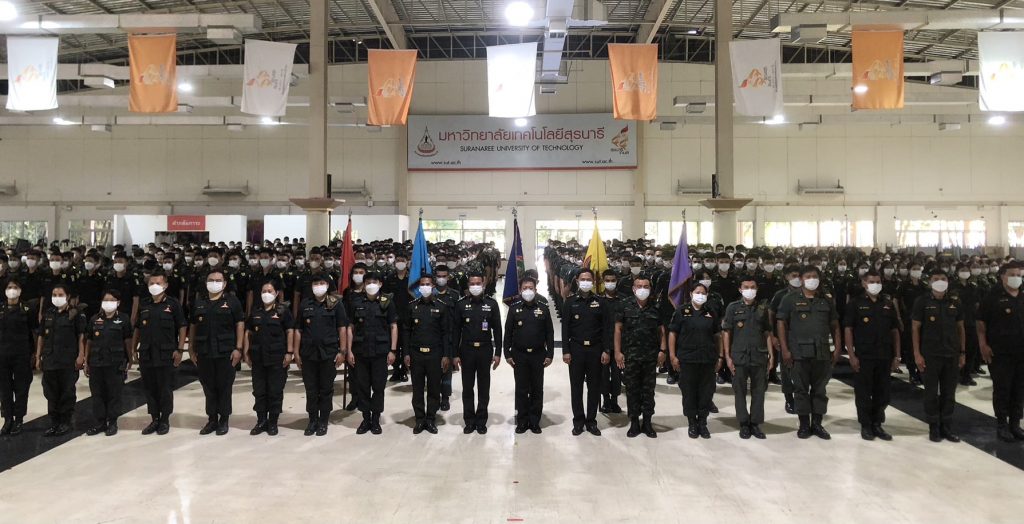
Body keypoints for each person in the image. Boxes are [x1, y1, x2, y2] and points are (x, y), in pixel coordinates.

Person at [776, 265, 841, 440]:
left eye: (815, 276)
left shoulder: (826, 300)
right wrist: (785, 349)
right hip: (798, 353)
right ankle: (804, 424)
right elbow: (781, 323)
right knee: (801, 390)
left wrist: (837, 348)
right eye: (808, 276)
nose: (812, 279)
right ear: (801, 279)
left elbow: (835, 325)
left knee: (820, 390)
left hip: (822, 352)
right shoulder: (790, 299)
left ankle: (817, 424)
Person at [844, 270, 901, 441]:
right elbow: (848, 329)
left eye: (878, 281)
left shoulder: (887, 303)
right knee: (863, 392)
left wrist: (897, 355)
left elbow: (894, 331)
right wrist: (851, 355)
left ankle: (877, 423)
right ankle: (866, 425)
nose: (875, 284)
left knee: (883, 393)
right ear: (863, 283)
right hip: (864, 355)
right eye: (871, 281)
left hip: (884, 355)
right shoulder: (855, 303)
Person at [189, 269, 245, 435]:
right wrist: (191, 348)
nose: (214, 283)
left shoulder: (232, 301)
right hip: (204, 351)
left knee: (224, 386)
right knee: (208, 386)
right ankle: (212, 419)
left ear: (225, 283)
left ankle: (224, 419)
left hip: (225, 351)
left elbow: (240, 324)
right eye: (211, 280)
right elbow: (193, 325)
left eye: (218, 280)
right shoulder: (199, 302)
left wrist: (238, 348)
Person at [911, 269, 965, 443]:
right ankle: (933, 426)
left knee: (949, 393)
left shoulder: (955, 301)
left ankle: (946, 426)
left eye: (943, 278)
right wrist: (917, 354)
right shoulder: (922, 301)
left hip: (951, 354)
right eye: (936, 278)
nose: (940, 281)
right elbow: (915, 328)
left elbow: (960, 328)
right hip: (930, 355)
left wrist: (962, 352)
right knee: (931, 393)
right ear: (930, 281)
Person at [131, 272, 188, 435]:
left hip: (166, 353)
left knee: (165, 388)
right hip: (147, 352)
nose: (154, 286)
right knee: (149, 388)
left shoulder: (173, 304)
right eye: (151, 283)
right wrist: (134, 348)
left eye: (158, 283)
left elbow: (182, 326)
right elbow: (138, 328)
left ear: (165, 285)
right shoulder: (144, 304)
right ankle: (154, 418)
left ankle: (165, 419)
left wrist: (180, 349)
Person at [294, 274, 349, 437]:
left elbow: (342, 328)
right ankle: (312, 420)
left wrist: (342, 351)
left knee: (326, 389)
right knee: (311, 389)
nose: (319, 286)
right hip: (308, 353)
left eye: (322, 283)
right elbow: (298, 330)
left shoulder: (335, 304)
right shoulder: (305, 304)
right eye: (316, 283)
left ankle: (323, 421)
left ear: (327, 285)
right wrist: (296, 352)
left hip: (329, 353)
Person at [976, 261, 1024, 442]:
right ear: (1003, 276)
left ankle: (1015, 423)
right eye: (1012, 275)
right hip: (1000, 352)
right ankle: (1002, 424)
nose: (1016, 278)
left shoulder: (1022, 296)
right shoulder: (992, 297)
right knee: (1002, 388)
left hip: (1021, 351)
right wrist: (983, 345)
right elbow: (981, 322)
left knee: (1019, 389)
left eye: (1018, 275)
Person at [613, 276, 665, 438]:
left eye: (646, 286)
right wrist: (617, 352)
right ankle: (634, 422)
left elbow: (662, 331)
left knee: (648, 391)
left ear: (650, 289)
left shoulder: (656, 306)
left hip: (650, 357)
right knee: (632, 390)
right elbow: (618, 329)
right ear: (633, 288)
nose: (642, 289)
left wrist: (662, 351)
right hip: (631, 356)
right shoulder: (624, 305)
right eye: (639, 286)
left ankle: (647, 422)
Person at [346, 272, 397, 435]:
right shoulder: (356, 302)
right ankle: (365, 418)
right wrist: (349, 350)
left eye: (374, 282)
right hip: (360, 351)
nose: (371, 285)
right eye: (368, 282)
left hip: (380, 352)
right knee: (362, 387)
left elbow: (393, 326)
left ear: (380, 284)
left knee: (378, 387)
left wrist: (393, 350)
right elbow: (350, 328)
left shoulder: (387, 302)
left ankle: (375, 419)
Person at [562, 268, 611, 436]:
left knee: (594, 387)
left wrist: (606, 350)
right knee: (576, 387)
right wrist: (566, 351)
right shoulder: (570, 302)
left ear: (593, 282)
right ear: (577, 281)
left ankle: (591, 421)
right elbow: (565, 329)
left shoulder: (600, 302)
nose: (585, 282)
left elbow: (606, 328)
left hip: (595, 350)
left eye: (588, 279)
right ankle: (578, 421)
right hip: (576, 349)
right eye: (582, 279)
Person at [668, 282, 721, 439]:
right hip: (687, 359)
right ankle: (692, 422)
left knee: (706, 392)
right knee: (689, 392)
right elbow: (673, 334)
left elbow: (717, 336)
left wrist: (720, 356)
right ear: (691, 294)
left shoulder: (711, 312)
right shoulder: (681, 311)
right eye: (697, 292)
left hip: (707, 359)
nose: (700, 295)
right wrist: (672, 356)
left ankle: (702, 423)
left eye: (703, 293)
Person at [722, 277, 773, 440]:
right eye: (746, 287)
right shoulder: (733, 307)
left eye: (752, 287)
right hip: (739, 356)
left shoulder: (763, 308)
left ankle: (755, 423)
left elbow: (767, 332)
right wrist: (727, 356)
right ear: (740, 289)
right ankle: (744, 423)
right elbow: (727, 332)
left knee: (759, 391)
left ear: (757, 289)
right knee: (740, 391)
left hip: (759, 355)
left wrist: (771, 354)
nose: (749, 290)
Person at [503, 277, 554, 434]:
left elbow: (549, 333)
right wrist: (507, 354)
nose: (528, 291)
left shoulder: (543, 308)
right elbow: (508, 332)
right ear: (520, 290)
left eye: (530, 288)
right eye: (525, 288)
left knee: (537, 389)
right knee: (521, 389)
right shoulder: (514, 308)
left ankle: (534, 421)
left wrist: (550, 354)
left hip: (538, 355)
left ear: (535, 290)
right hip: (519, 355)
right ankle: (522, 420)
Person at [35, 283, 87, 437]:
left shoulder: (75, 314)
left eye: (60, 295)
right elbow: (41, 336)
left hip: (67, 360)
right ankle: (54, 422)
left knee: (66, 392)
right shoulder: (48, 314)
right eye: (54, 295)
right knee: (50, 392)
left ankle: (65, 422)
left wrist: (81, 355)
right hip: (50, 359)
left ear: (68, 296)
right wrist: (38, 356)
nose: (57, 298)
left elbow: (81, 336)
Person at [454, 273, 502, 434]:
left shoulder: (491, 304)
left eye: (478, 283)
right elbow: (456, 331)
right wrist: (455, 354)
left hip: (485, 350)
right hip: (466, 351)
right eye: (472, 283)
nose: (475, 286)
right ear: (468, 286)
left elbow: (498, 330)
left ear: (483, 284)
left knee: (483, 387)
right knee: (467, 388)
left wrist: (498, 353)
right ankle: (469, 421)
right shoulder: (461, 304)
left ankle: (481, 420)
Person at [403, 275, 452, 435]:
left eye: (428, 284)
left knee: (434, 388)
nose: (425, 287)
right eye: (422, 284)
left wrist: (446, 355)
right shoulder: (412, 306)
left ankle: (430, 419)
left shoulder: (441, 307)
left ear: (433, 286)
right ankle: (419, 419)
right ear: (419, 287)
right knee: (417, 389)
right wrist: (406, 353)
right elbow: (406, 331)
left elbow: (446, 333)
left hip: (435, 354)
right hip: (416, 354)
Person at [84, 290, 133, 436]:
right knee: (97, 394)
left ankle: (112, 422)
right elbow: (89, 341)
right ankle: (100, 422)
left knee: (114, 393)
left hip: (115, 363)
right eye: (106, 300)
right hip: (96, 362)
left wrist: (130, 358)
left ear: (118, 302)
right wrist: (86, 361)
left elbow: (127, 340)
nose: (108, 303)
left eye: (112, 300)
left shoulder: (123, 319)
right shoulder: (94, 319)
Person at [600, 269, 624, 414]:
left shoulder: (623, 300)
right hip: (602, 345)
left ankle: (614, 400)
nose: (610, 283)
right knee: (603, 375)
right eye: (607, 280)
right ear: (603, 281)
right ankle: (605, 400)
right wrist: (604, 349)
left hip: (618, 345)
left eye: (613, 280)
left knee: (617, 375)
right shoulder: (598, 300)